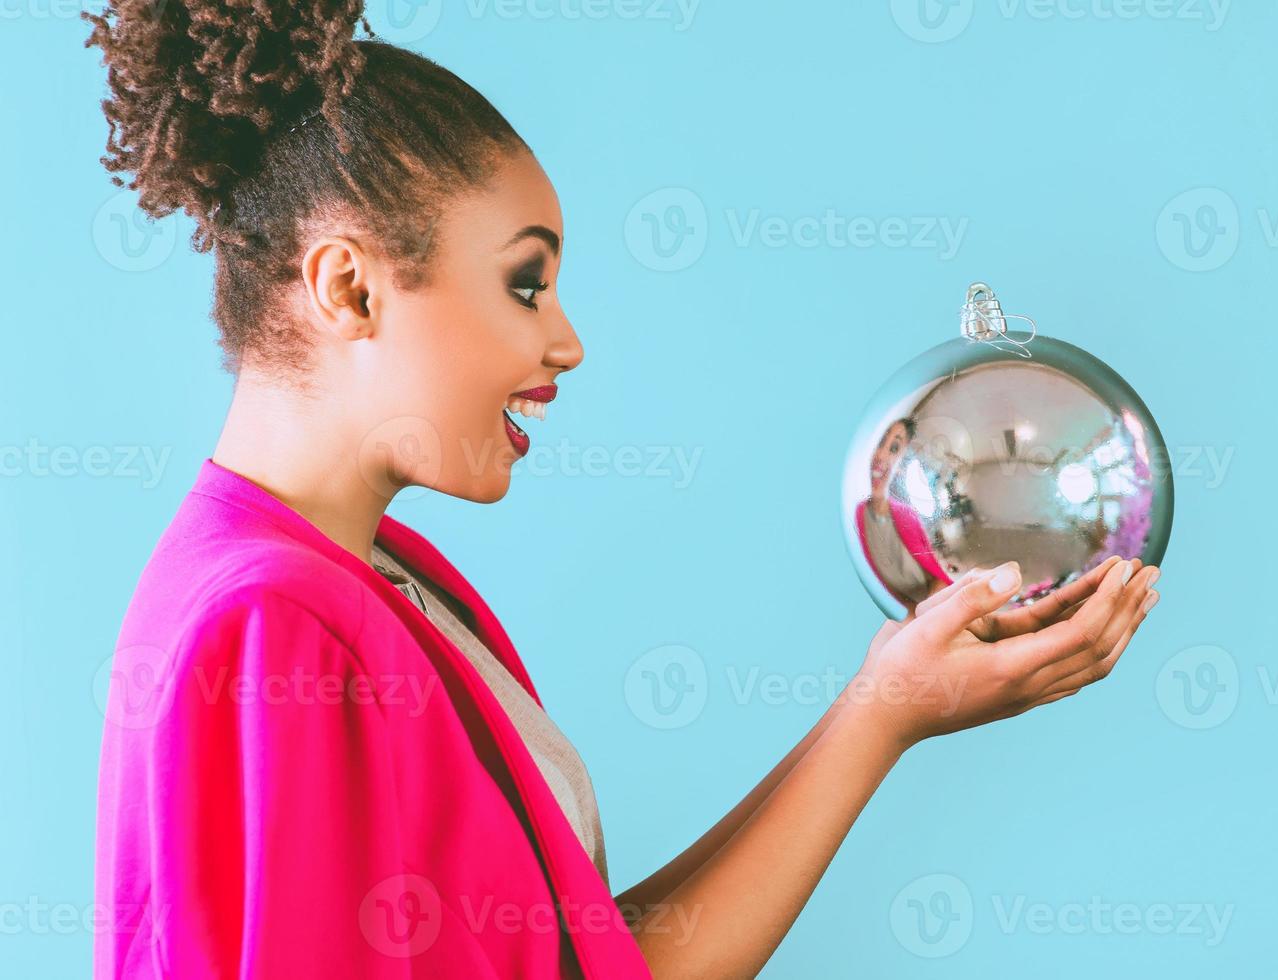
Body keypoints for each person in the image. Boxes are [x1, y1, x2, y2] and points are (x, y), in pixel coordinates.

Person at [82, 2, 1163, 976]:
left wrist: (886, 709)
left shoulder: (380, 581)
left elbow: (591, 961)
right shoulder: (272, 621)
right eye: (524, 282)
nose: (566, 340)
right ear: (349, 285)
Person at [855, 417, 953, 607]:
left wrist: (934, 607)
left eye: (893, 449)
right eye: (879, 443)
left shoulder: (908, 514)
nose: (881, 456)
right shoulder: (855, 518)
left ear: (900, 464)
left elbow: (936, 575)